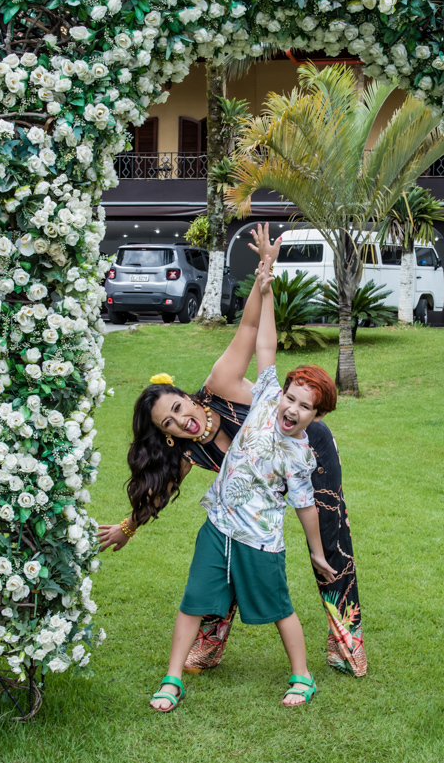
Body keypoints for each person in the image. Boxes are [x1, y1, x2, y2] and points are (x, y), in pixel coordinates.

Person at [98, 223, 368, 678]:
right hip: (257, 494)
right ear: (168, 436)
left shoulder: (219, 384)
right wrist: (128, 526)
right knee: (227, 538)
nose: (183, 419)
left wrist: (265, 273)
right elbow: (157, 494)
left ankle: (345, 639)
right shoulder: (187, 454)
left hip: (306, 447)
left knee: (328, 537)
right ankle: (209, 642)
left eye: (179, 406)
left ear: (187, 396)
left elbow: (252, 330)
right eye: (170, 423)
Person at [147, 259, 337, 711]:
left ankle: (302, 676)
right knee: (194, 600)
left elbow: (306, 506)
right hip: (218, 527)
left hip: (260, 540)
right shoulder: (268, 396)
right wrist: (265, 288)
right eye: (291, 397)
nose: (292, 409)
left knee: (278, 609)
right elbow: (265, 343)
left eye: (304, 408)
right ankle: (172, 679)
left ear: (316, 416)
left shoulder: (299, 455)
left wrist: (315, 551)